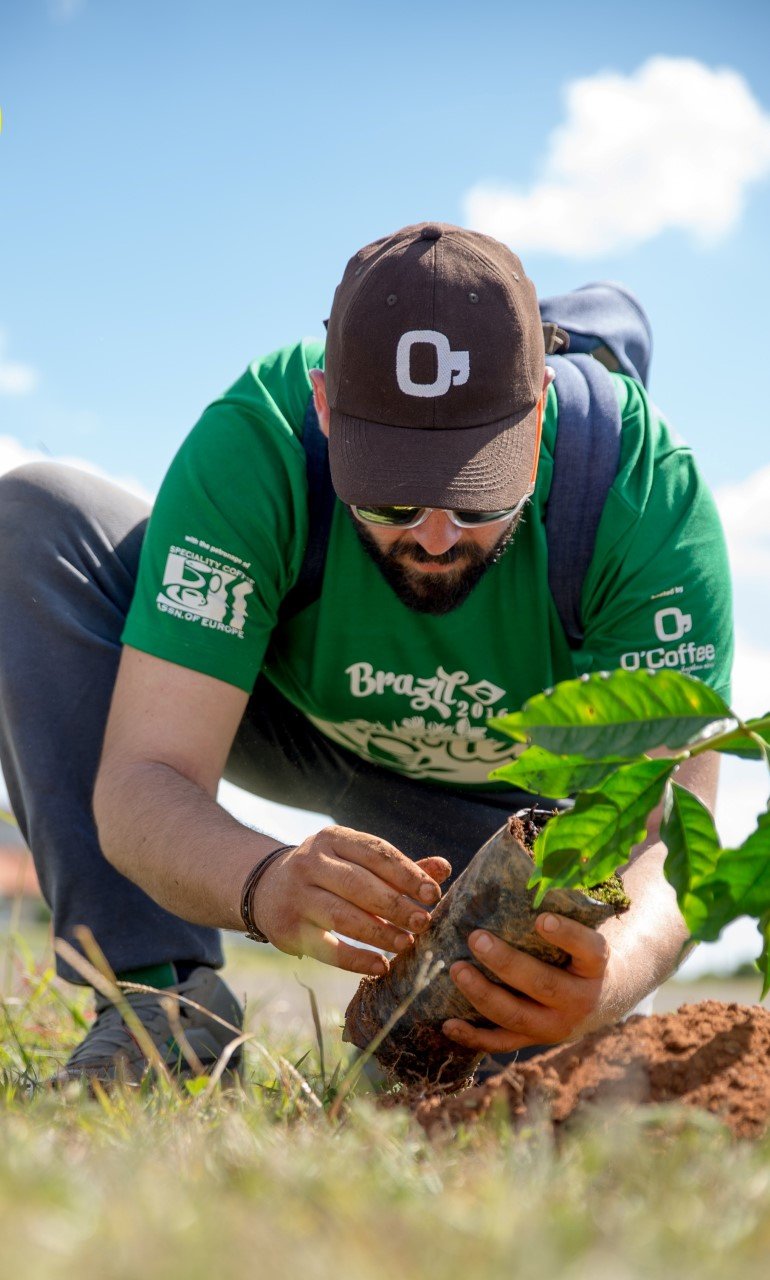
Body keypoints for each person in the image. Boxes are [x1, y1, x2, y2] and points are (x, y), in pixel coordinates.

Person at [0, 223, 732, 1082]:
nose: (431, 535)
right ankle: (163, 1012)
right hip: (286, 721)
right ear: (325, 409)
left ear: (536, 416)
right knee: (37, 517)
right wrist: (262, 880)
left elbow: (674, 834)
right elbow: (141, 778)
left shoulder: (642, 497)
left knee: (469, 1075)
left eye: (474, 496)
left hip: (500, 813)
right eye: (388, 496)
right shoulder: (261, 439)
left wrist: (611, 978)